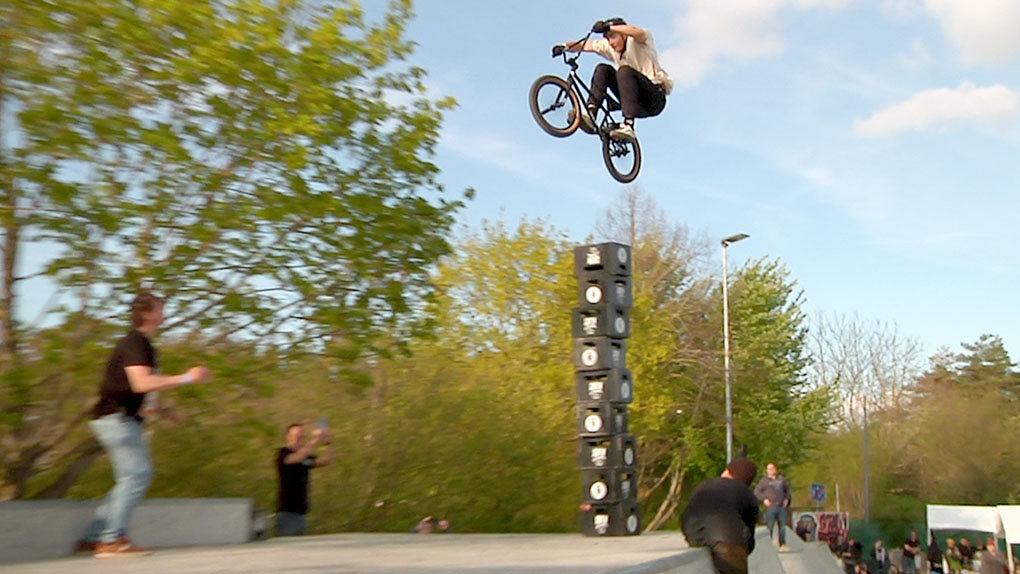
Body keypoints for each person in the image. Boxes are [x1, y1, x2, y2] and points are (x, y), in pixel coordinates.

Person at [77, 292, 212, 558]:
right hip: (115, 419)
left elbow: (137, 391)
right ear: (147, 314)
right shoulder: (135, 341)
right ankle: (111, 540)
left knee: (130, 477)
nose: (164, 313)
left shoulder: (145, 345)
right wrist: (188, 378)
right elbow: (141, 383)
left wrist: (163, 410)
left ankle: (95, 536)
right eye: (160, 309)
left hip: (120, 417)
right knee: (138, 474)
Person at [559, 17, 672, 142]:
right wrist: (564, 47)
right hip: (633, 99)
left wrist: (609, 27)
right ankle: (591, 114)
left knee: (624, 71)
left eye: (613, 37)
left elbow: (635, 31)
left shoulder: (638, 40)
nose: (610, 42)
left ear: (623, 35)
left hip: (654, 98)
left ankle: (629, 125)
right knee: (603, 69)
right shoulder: (610, 47)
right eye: (607, 38)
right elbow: (585, 45)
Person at [681, 458, 760, 574]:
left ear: (727, 472)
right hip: (726, 537)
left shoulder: (704, 485)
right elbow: (750, 533)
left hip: (692, 531)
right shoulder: (746, 493)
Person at [276, 422, 332, 536]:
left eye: (302, 434)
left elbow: (326, 460)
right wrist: (316, 439)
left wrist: (327, 442)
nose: (300, 437)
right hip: (288, 512)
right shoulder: (283, 453)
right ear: (288, 436)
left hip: (301, 512)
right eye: (297, 434)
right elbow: (298, 457)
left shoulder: (306, 456)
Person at [754, 462, 793, 550]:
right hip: (771, 507)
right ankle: (768, 546)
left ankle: (782, 544)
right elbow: (757, 492)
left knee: (782, 527)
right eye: (769, 469)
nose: (771, 470)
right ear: (767, 471)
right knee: (770, 527)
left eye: (772, 468)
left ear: (776, 469)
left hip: (781, 507)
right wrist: (764, 499)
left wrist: (787, 499)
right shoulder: (764, 481)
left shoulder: (781, 479)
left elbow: (787, 491)